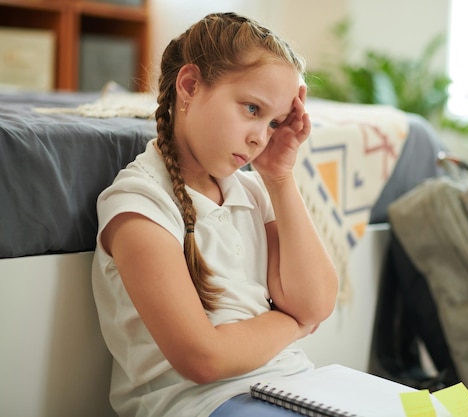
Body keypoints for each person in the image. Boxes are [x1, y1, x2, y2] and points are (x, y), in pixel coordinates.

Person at [91, 12, 339, 417]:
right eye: (251, 109)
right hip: (205, 404)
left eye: (275, 122)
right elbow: (204, 360)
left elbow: (314, 302)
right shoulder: (139, 206)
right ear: (189, 87)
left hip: (293, 386)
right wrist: (292, 325)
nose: (261, 136)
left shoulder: (256, 193)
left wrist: (280, 177)